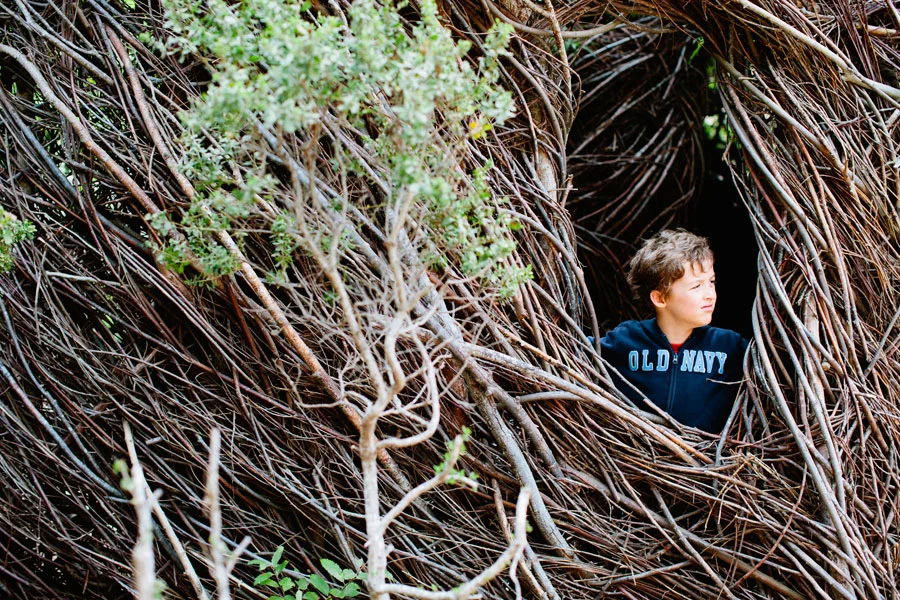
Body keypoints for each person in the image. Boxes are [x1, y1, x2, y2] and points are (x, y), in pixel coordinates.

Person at [599, 229, 748, 433]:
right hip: (637, 456)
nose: (710, 295)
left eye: (711, 282)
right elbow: (574, 356)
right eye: (696, 286)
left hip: (707, 460)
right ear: (660, 298)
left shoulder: (729, 347)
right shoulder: (625, 341)